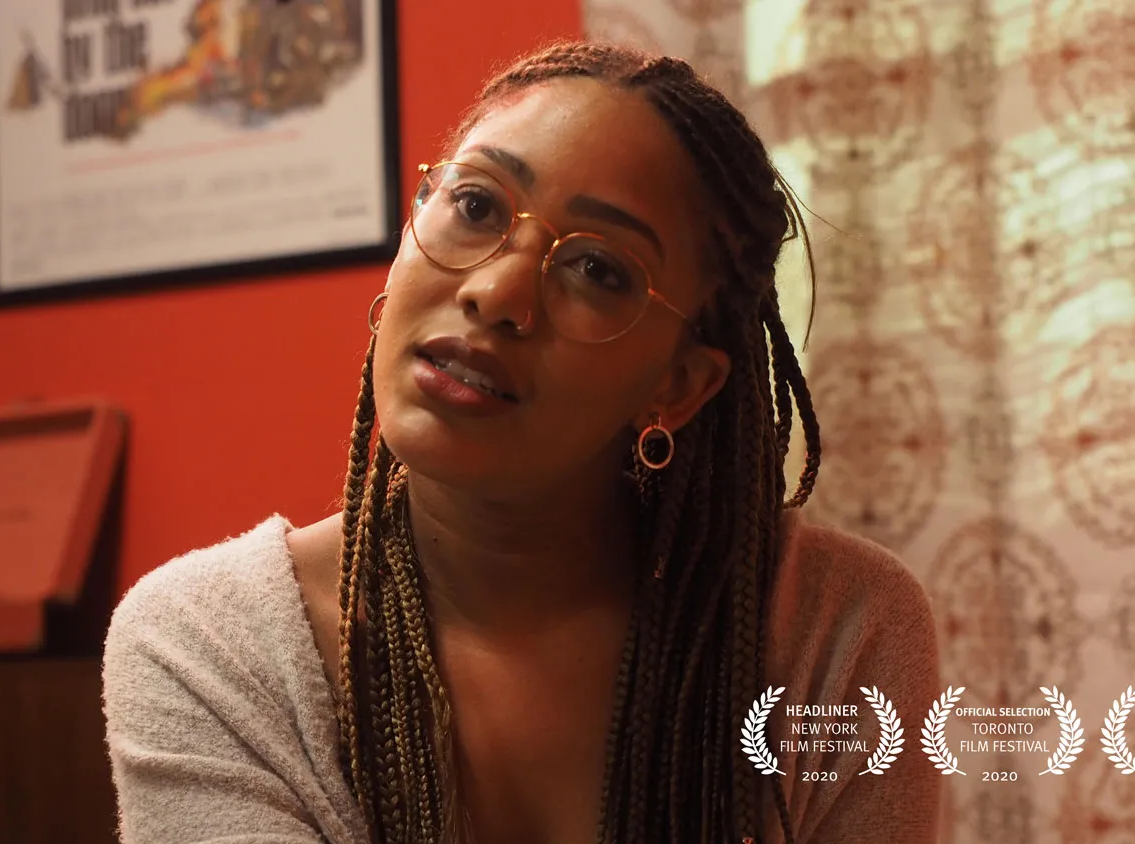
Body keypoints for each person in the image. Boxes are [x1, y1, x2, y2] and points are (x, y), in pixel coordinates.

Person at [102, 40, 942, 844]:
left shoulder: (832, 632)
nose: (497, 292)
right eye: (475, 205)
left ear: (677, 386)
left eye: (599, 270)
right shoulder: (211, 647)